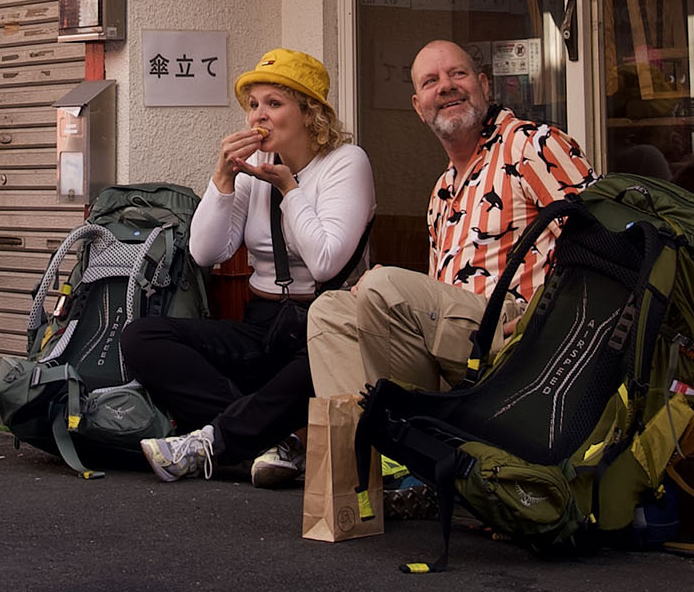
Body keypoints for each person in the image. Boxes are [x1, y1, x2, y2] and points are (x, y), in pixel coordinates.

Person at [124, 48, 375, 487]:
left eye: (274, 103)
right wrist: (222, 179)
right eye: (254, 104)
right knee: (142, 337)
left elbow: (326, 261)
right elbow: (205, 252)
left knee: (321, 362)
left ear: (310, 114)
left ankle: (219, 440)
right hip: (262, 322)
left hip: (320, 325)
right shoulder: (255, 166)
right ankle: (273, 440)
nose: (259, 115)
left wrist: (291, 191)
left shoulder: (346, 162)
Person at [307, 39, 593, 402]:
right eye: (431, 81)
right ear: (418, 107)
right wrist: (384, 293)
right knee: (330, 312)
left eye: (458, 74)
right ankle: (370, 434)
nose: (445, 86)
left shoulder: (532, 144)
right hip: (459, 342)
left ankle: (405, 425)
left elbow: (601, 241)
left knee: (383, 286)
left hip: (521, 330)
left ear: (484, 85)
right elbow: (440, 298)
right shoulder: (443, 189)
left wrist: (543, 315)